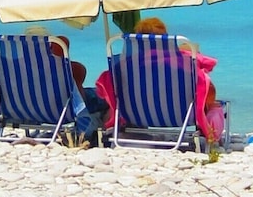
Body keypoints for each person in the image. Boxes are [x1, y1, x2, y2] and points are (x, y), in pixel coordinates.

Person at [94, 16, 226, 144]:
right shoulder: (184, 62)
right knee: (213, 105)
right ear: (165, 39)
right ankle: (210, 135)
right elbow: (209, 88)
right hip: (181, 116)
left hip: (137, 116)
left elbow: (105, 91)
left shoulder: (123, 66)